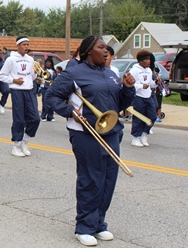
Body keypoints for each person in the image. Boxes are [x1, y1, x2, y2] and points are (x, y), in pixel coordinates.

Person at [45, 35, 135, 247]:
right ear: (87, 51)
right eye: (101, 47)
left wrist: (128, 89)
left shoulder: (112, 73)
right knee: (91, 179)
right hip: (85, 134)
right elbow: (51, 97)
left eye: (107, 48)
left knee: (108, 180)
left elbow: (119, 104)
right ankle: (84, 226)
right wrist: (70, 111)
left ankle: (98, 223)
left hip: (111, 132)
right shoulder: (73, 73)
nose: (106, 51)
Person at [0, 36, 40, 157]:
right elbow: (1, 76)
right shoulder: (11, 59)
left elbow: (31, 77)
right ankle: (16, 146)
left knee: (35, 118)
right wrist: (14, 80)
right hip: (17, 91)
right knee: (19, 119)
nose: (26, 47)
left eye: (28, 45)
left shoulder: (30, 59)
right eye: (24, 45)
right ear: (18, 46)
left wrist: (35, 72)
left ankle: (25, 140)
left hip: (29, 90)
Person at [130, 50, 157, 147]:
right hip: (138, 96)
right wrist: (141, 86)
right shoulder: (134, 70)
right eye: (146, 59)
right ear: (141, 61)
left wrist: (155, 83)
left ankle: (144, 134)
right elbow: (130, 84)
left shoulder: (149, 70)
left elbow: (150, 84)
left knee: (152, 116)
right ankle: (135, 138)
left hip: (148, 95)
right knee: (138, 117)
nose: (149, 61)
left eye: (149, 59)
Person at [40, 58, 56, 122]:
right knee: (45, 102)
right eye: (47, 62)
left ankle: (50, 116)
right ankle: (43, 115)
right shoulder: (43, 71)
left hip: (52, 88)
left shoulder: (54, 71)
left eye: (49, 62)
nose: (48, 64)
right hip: (45, 87)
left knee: (51, 102)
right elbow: (43, 77)